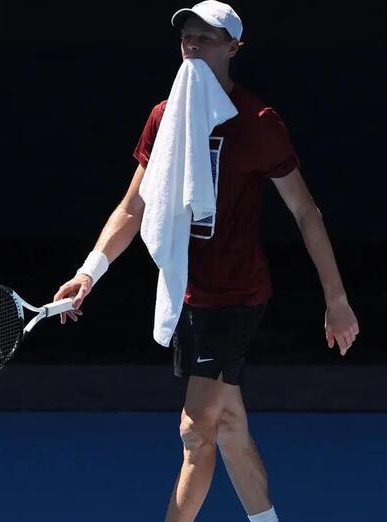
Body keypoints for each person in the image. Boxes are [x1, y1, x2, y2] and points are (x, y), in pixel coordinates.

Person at [53, 2, 360, 520]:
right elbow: (134, 207)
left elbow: (306, 211)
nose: (193, 46)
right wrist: (89, 272)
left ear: (234, 47)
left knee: (195, 431)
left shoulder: (260, 123)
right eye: (186, 38)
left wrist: (337, 300)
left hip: (237, 298)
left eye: (207, 38)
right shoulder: (163, 118)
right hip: (189, 296)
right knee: (229, 425)